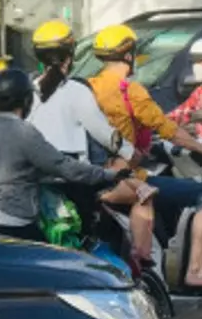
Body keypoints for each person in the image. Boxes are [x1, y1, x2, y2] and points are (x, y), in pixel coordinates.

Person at [88, 23, 202, 292]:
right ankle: (196, 271)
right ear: (129, 56)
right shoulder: (130, 91)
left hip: (89, 175)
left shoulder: (87, 88)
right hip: (121, 179)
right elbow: (169, 130)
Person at [26, 19, 156, 248]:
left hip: (33, 176)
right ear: (70, 54)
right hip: (74, 177)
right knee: (142, 195)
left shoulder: (28, 90)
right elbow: (104, 133)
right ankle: (139, 263)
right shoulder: (76, 90)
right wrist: (129, 152)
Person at [0, 69, 118, 241]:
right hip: (13, 218)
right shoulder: (23, 132)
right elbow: (63, 166)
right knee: (59, 248)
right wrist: (108, 175)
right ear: (27, 100)